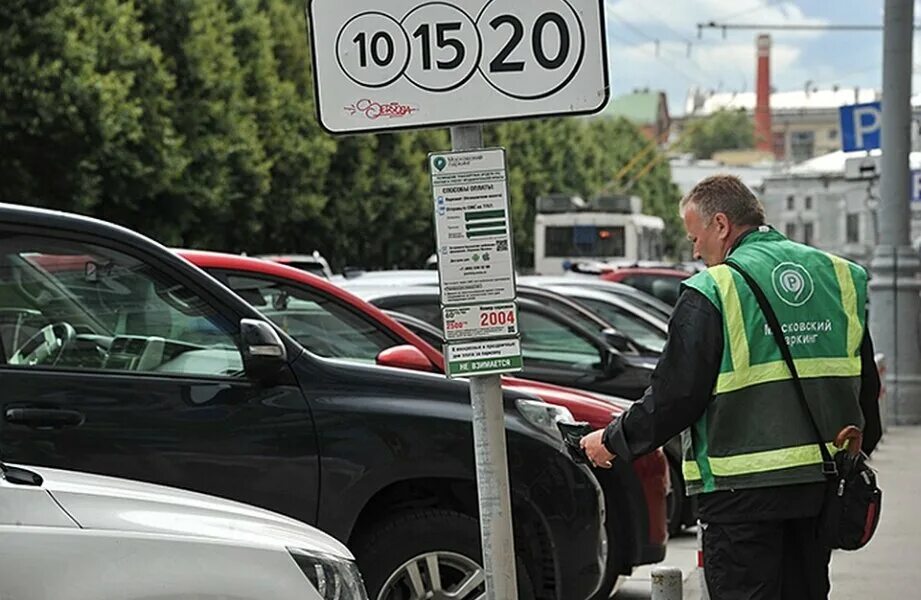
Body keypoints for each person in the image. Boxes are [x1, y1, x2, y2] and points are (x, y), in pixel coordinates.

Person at [581, 175, 881, 600]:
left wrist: (611, 441)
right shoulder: (840, 277)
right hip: (820, 487)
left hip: (740, 495)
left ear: (721, 224)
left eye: (695, 237)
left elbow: (676, 396)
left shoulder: (714, 289)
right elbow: (865, 389)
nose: (695, 251)